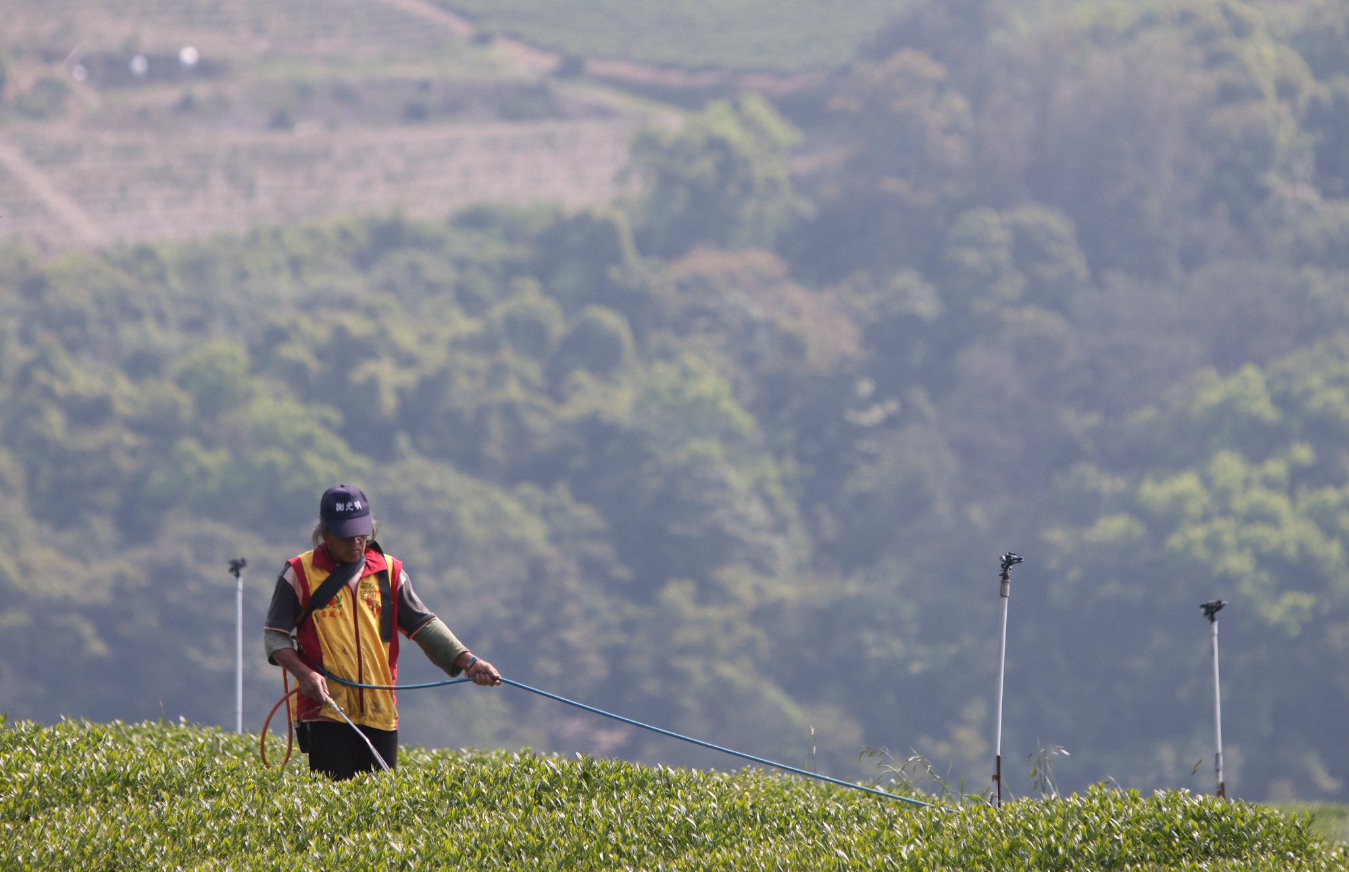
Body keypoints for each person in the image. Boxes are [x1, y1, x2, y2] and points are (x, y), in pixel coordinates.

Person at [264, 483, 500, 779]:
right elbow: (275, 636)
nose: (356, 542)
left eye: (361, 533)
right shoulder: (299, 573)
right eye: (346, 535)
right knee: (334, 808)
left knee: (380, 808)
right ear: (325, 533)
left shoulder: (390, 572)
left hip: (381, 713)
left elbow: (423, 624)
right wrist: (304, 674)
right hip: (326, 712)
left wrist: (470, 662)